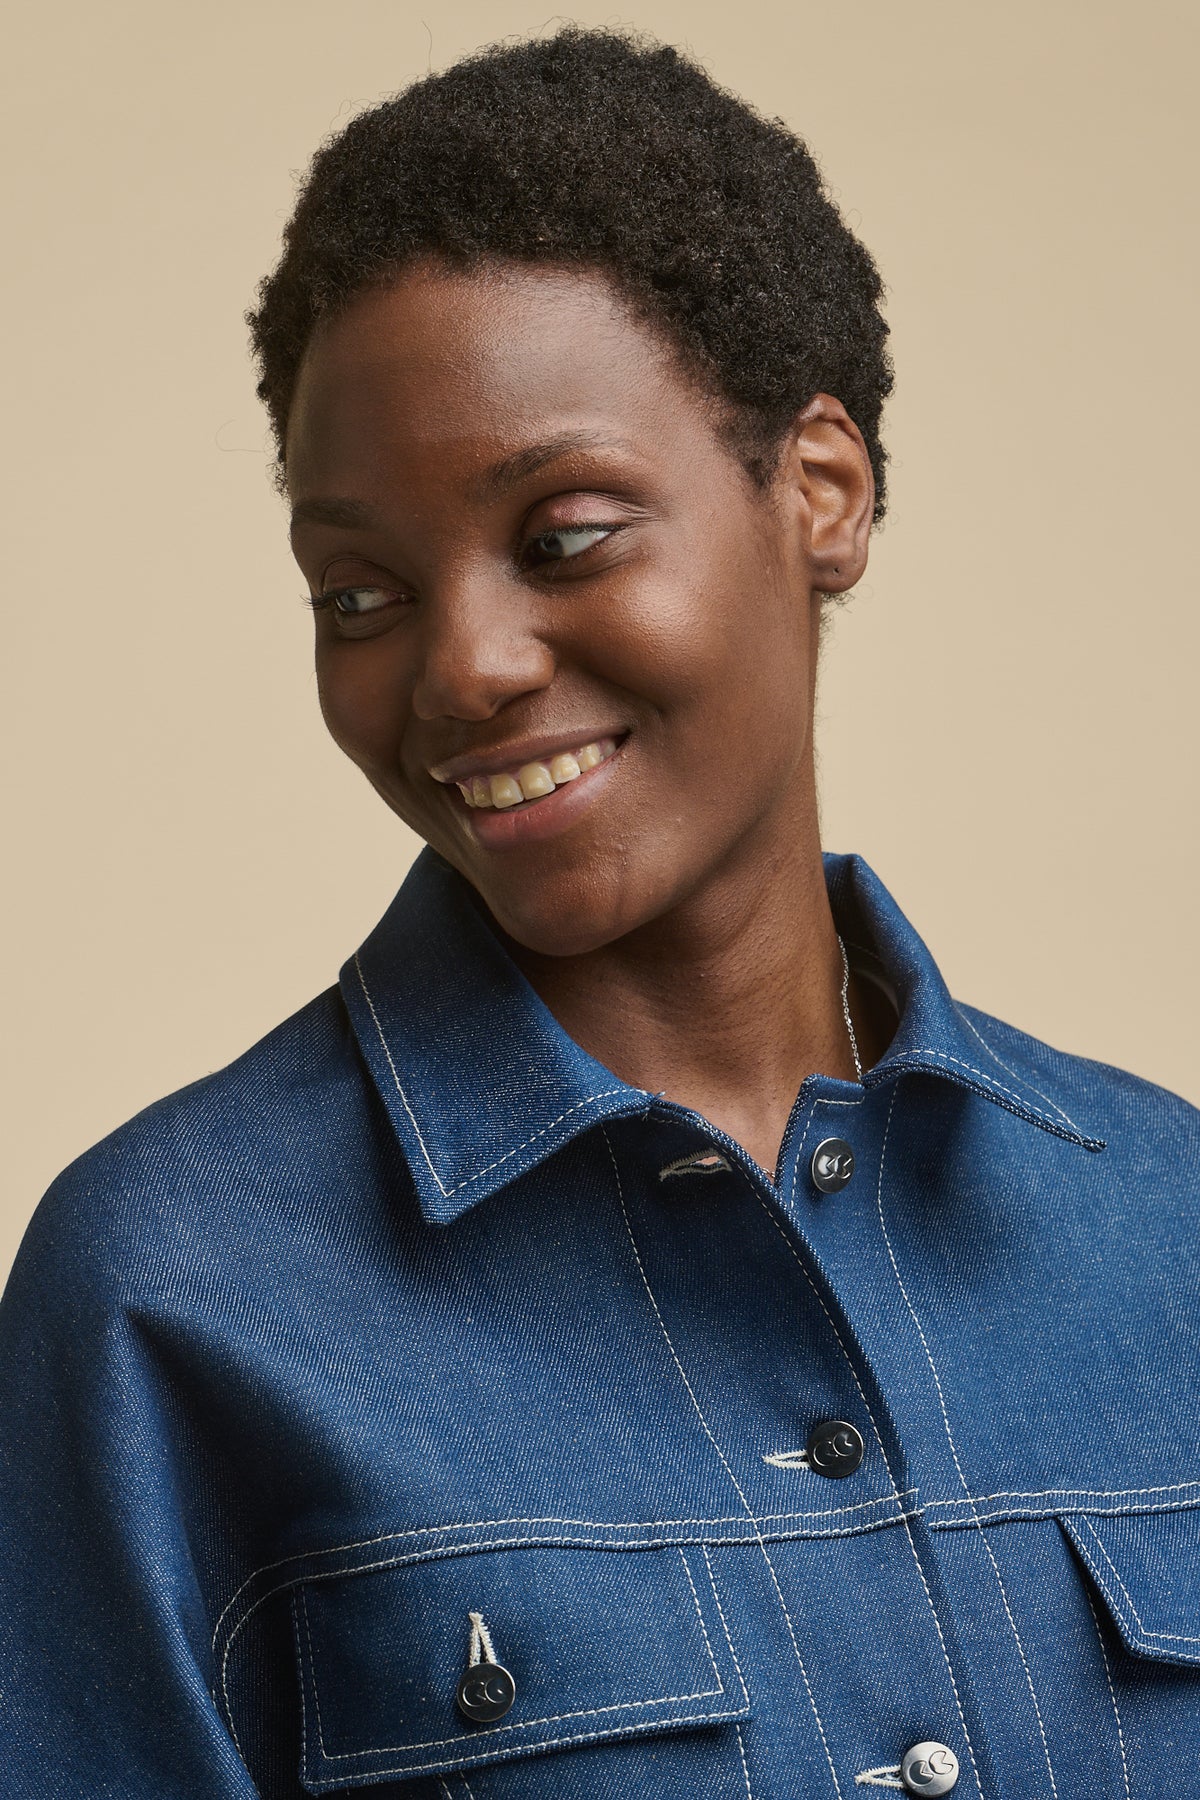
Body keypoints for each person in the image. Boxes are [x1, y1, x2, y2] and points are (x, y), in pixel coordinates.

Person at [1, 25, 1196, 1800]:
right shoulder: (167, 1298)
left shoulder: (1166, 1230)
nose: (462, 666)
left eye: (562, 535)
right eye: (360, 591)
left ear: (821, 490)